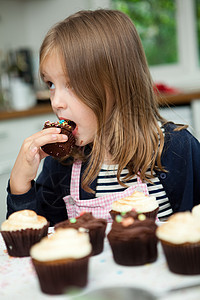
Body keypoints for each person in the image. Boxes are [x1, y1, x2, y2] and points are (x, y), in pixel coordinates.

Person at [7, 9, 200, 226]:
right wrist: (20, 185)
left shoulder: (177, 149)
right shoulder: (62, 164)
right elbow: (34, 244)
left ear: (118, 84)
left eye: (71, 84)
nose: (56, 102)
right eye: (51, 84)